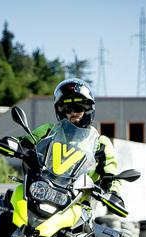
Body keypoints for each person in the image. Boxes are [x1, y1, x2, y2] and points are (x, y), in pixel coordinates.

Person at [19, 78, 125, 210]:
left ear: (88, 109)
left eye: (79, 107)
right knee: (10, 201)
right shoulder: (48, 131)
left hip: (79, 204)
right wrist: (12, 144)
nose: (73, 113)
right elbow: (25, 142)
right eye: (67, 108)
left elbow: (111, 175)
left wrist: (114, 193)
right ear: (61, 111)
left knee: (92, 229)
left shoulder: (100, 143)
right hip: (40, 192)